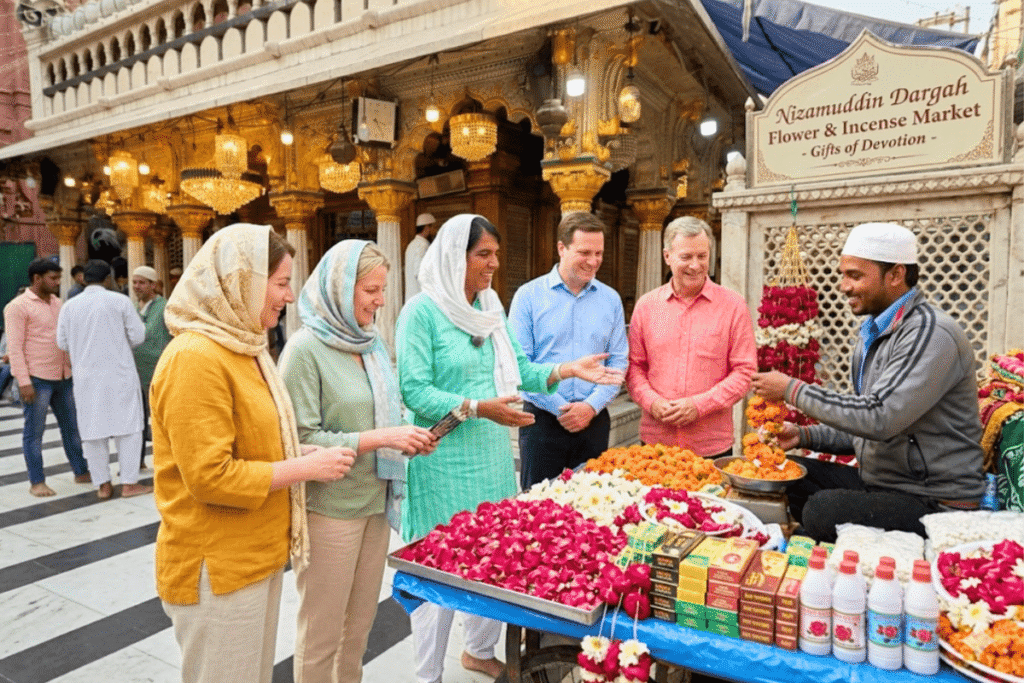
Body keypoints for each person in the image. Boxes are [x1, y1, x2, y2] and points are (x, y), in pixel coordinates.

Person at [395, 214, 623, 683]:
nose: (494, 263)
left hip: (490, 458)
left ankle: (478, 651)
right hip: (444, 461)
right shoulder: (421, 312)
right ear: (456, 257)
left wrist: (567, 370)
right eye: (484, 255)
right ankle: (426, 675)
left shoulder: (490, 306)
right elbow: (415, 391)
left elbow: (519, 369)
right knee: (440, 568)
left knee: (492, 557)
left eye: (495, 254)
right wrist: (479, 407)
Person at [151, 223, 355, 683]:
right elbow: (209, 477)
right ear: (240, 280)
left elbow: (255, 442)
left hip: (253, 553)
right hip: (217, 563)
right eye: (281, 283)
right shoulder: (195, 357)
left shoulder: (244, 348)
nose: (288, 296)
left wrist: (303, 454)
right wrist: (304, 466)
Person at [751, 222, 986, 542]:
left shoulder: (931, 334)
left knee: (822, 511)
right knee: (788, 478)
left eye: (855, 275)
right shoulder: (873, 335)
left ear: (895, 275)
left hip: (936, 500)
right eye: (843, 275)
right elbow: (861, 421)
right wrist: (803, 435)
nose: (844, 286)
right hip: (885, 484)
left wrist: (792, 390)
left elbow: (878, 417)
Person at [281, 240, 437, 683]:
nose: (381, 300)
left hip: (375, 501)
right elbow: (301, 438)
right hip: (330, 509)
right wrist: (381, 437)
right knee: (322, 631)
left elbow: (382, 408)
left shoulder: (369, 344)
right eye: (371, 289)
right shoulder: (304, 350)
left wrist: (406, 435)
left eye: (382, 289)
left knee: (358, 627)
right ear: (340, 288)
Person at [509, 212, 628, 489]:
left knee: (595, 510)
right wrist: (562, 409)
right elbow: (518, 365)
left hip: (594, 420)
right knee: (535, 510)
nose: (594, 261)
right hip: (541, 421)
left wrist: (590, 406)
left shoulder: (610, 299)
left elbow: (619, 362)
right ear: (561, 248)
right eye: (584, 252)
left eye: (599, 253)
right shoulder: (528, 297)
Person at [626, 216, 757, 457]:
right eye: (686, 257)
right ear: (667, 257)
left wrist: (699, 406)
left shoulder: (733, 306)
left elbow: (745, 372)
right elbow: (634, 367)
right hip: (656, 444)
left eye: (702, 256)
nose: (695, 265)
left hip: (711, 445)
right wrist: (652, 402)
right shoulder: (646, 306)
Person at [57, 260, 152, 499]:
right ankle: (129, 483)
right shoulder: (120, 301)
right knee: (129, 429)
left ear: (84, 279)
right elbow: (139, 335)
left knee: (92, 430)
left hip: (86, 378)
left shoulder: (70, 306)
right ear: (108, 279)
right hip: (120, 374)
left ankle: (103, 485)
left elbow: (62, 343)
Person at [3, 257, 90, 496]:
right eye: (52, 278)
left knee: (72, 428)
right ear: (37, 279)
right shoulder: (17, 307)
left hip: (63, 376)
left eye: (58, 278)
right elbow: (15, 348)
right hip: (37, 379)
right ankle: (37, 482)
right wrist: (23, 381)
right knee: (34, 432)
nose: (56, 283)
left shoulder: (57, 303)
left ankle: (81, 471)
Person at [132, 265, 173, 470]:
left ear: (153, 285)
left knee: (161, 422)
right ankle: (136, 462)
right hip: (135, 374)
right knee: (136, 421)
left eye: (141, 282)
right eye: (135, 282)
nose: (136, 286)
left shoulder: (165, 307)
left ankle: (167, 462)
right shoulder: (133, 307)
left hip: (159, 374)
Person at [404, 212, 437, 302]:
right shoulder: (422, 245)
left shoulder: (411, 245)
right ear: (427, 227)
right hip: (420, 296)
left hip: (413, 296)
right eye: (433, 227)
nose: (434, 230)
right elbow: (419, 272)